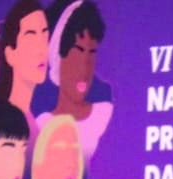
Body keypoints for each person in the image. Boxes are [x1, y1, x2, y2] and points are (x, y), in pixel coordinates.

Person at [31, 0, 114, 162]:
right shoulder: (39, 126)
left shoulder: (106, 114)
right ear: (57, 54)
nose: (85, 66)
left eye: (92, 52)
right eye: (79, 51)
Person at [0, 1, 49, 127]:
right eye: (31, 39)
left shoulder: (30, 122)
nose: (42, 50)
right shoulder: (3, 122)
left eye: (45, 37)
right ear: (10, 54)